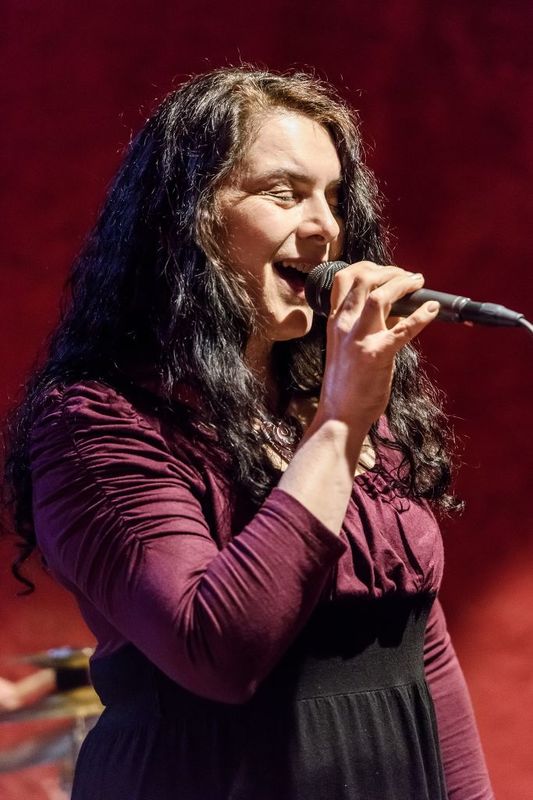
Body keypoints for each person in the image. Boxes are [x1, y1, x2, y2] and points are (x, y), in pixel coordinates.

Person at [3, 67, 494, 799]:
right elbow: (217, 649)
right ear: (185, 221)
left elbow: (416, 640)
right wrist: (339, 427)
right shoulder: (96, 424)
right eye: (283, 193)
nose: (324, 226)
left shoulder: (330, 401)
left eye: (333, 196)